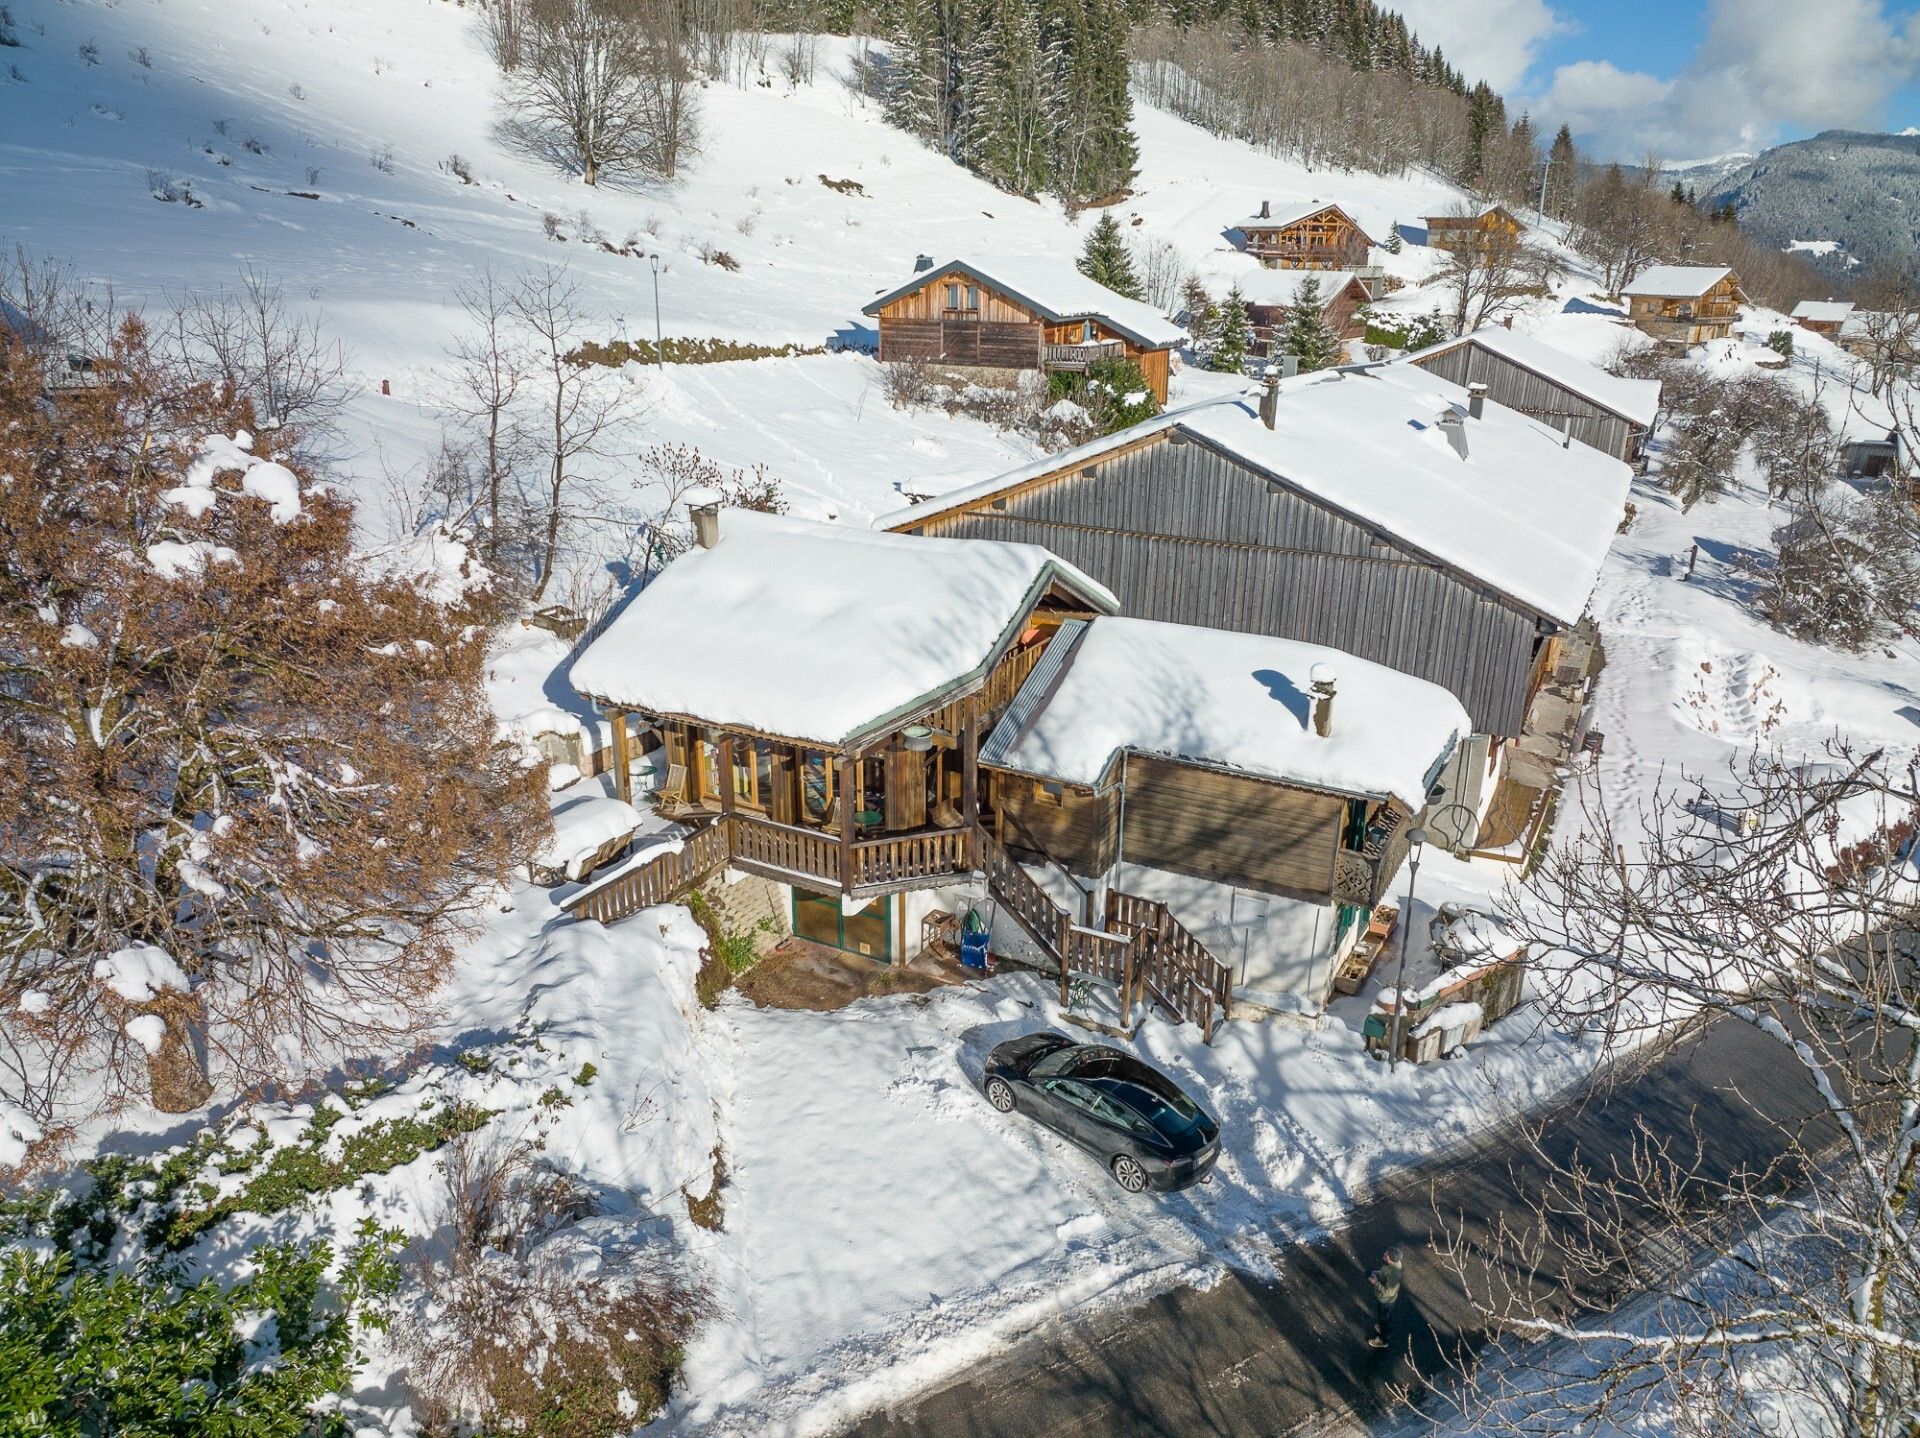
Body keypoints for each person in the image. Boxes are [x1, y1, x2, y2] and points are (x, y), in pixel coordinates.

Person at [1367, 1246, 1403, 1349]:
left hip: (1386, 1301)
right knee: (1385, 1317)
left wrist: (1376, 1282)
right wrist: (1378, 1274)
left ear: (1391, 1259)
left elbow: (1390, 1292)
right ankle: (1384, 1328)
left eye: (1386, 1255)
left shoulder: (1394, 1273)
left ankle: (1383, 1340)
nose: (1384, 1254)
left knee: (1383, 1319)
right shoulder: (1391, 1264)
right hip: (1384, 1300)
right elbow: (1385, 1272)